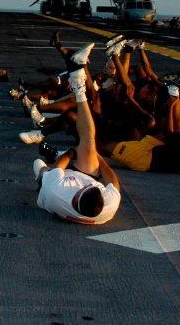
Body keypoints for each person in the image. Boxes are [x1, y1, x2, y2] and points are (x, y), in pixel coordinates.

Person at [29, 44, 122, 225]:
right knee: (88, 143)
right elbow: (113, 181)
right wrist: (96, 156)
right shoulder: (108, 205)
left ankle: (44, 167)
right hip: (87, 172)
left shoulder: (57, 191)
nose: (85, 185)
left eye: (85, 188)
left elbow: (58, 168)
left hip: (50, 189)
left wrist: (72, 152)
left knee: (41, 168)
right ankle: (78, 82)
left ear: (77, 194)